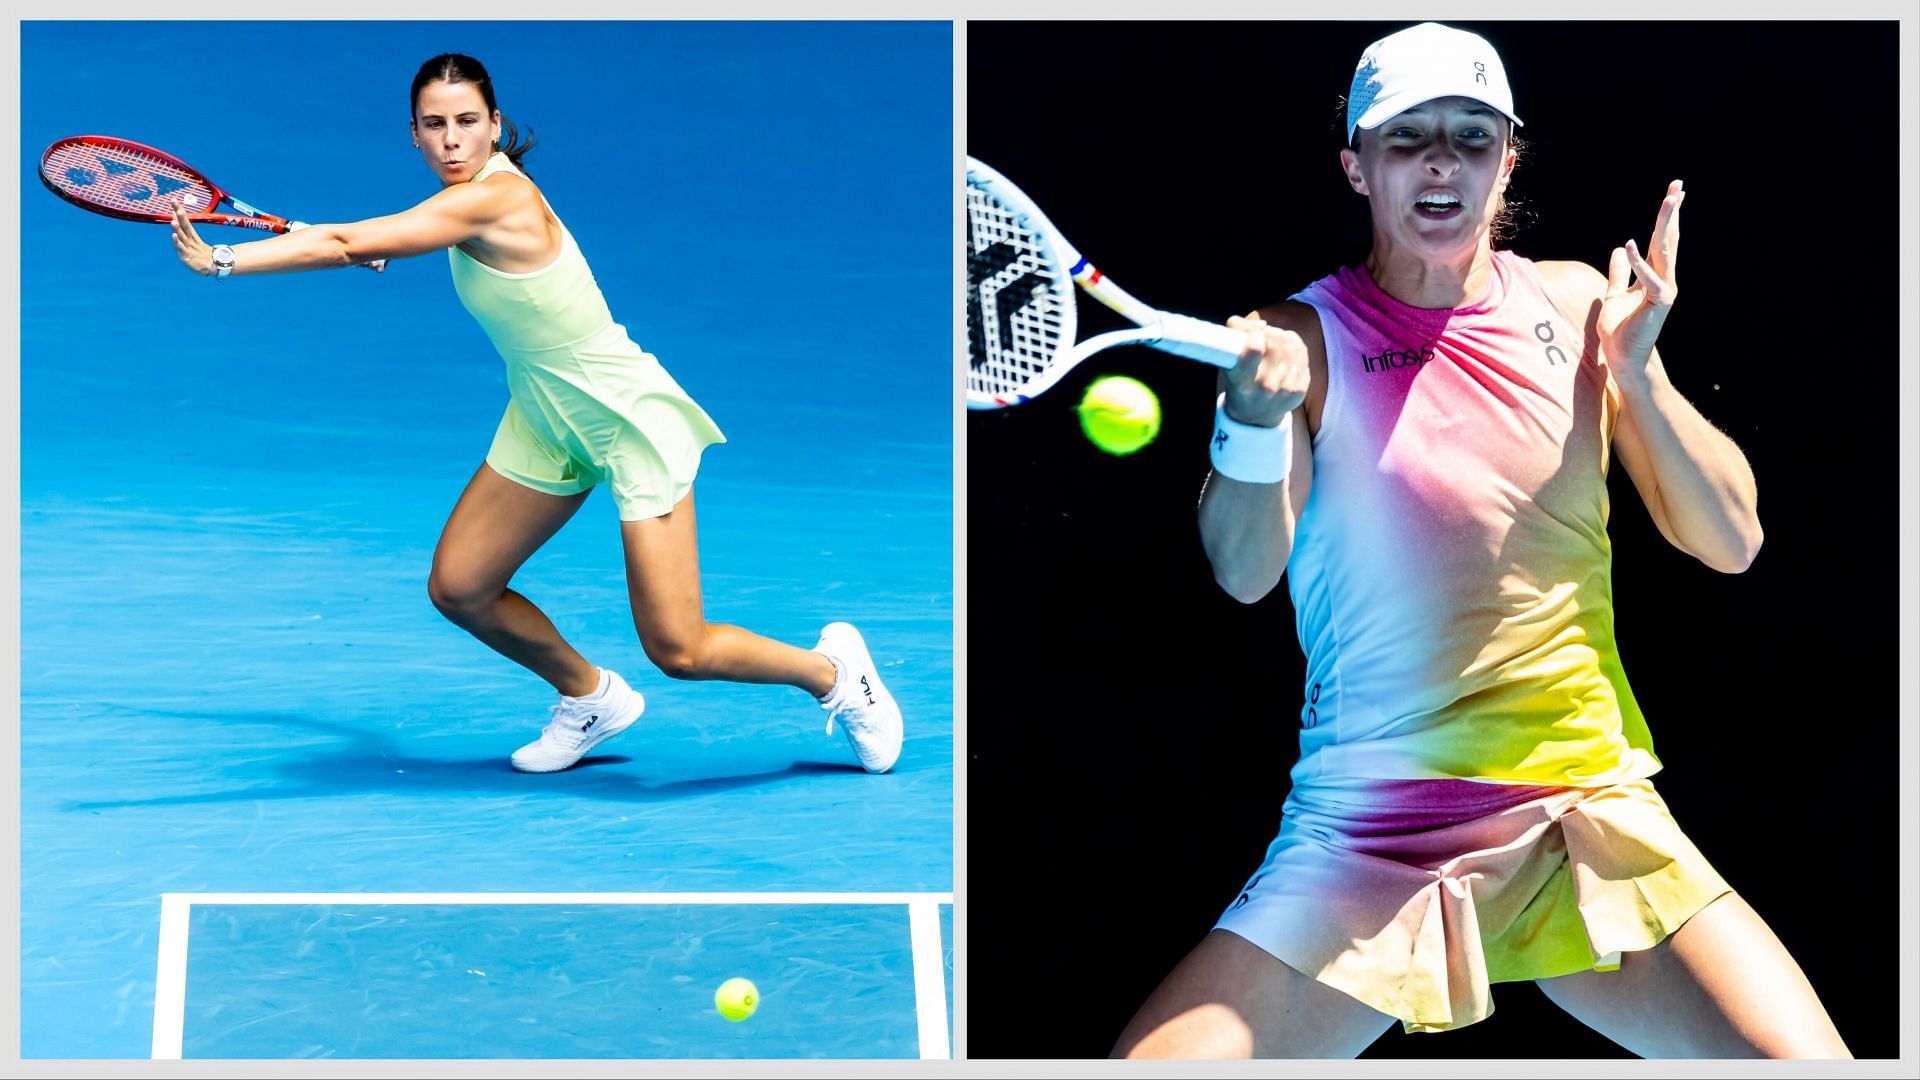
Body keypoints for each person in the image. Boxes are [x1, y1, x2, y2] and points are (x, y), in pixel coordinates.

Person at [1112, 23, 1847, 1059]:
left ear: (1509, 157)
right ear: (1356, 167)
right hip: (1369, 835)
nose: (1440, 160)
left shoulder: (1581, 306)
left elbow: (1733, 540)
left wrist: (1636, 374)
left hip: (1585, 811)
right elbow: (1243, 572)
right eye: (1406, 137)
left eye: (1469, 135)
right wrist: (1253, 422)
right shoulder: (1301, 340)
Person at [169, 53, 903, 777]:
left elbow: (348, 239)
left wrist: (225, 262)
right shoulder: (456, 208)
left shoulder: (498, 198)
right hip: (546, 414)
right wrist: (360, 241)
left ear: (494, 125)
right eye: (434, 125)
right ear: (414, 136)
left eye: (466, 122)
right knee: (461, 588)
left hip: (623, 417)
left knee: (678, 649)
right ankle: (591, 697)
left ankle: (835, 676)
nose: (451, 139)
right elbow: (368, 234)